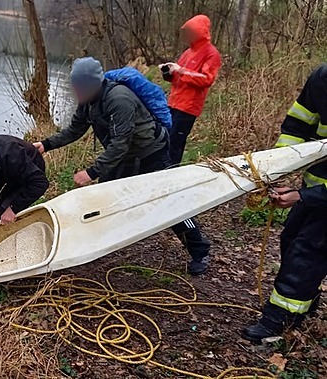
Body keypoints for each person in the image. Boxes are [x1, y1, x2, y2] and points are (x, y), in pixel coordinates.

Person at [33, 57, 211, 275]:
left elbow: (120, 143)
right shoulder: (88, 100)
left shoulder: (119, 99)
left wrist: (92, 172)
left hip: (151, 152)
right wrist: (46, 144)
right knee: (102, 198)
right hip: (125, 156)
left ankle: (200, 251)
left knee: (169, 202)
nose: (76, 90)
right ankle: (96, 244)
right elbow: (75, 130)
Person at [242, 64, 327, 343]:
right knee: (291, 240)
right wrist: (276, 168)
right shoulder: (322, 78)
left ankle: (279, 320)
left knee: (307, 253)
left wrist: (303, 196)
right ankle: (305, 297)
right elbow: (298, 124)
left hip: (317, 195)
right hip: (315, 188)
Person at [159, 14, 222, 165]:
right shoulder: (188, 52)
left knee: (175, 143)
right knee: (163, 139)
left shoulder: (211, 53)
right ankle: (161, 171)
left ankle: (171, 173)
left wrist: (181, 70)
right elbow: (177, 77)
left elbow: (206, 79)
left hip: (188, 107)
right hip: (173, 102)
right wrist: (168, 72)